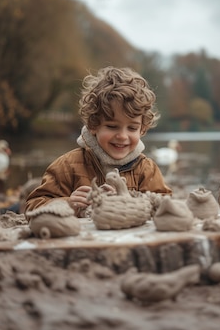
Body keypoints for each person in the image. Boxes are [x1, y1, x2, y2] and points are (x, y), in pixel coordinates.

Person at [24, 66, 172, 217]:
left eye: (132, 128)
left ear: (142, 129)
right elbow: (31, 207)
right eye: (112, 126)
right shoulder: (67, 166)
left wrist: (129, 201)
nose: (122, 136)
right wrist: (67, 204)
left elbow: (165, 206)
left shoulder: (146, 169)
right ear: (93, 125)